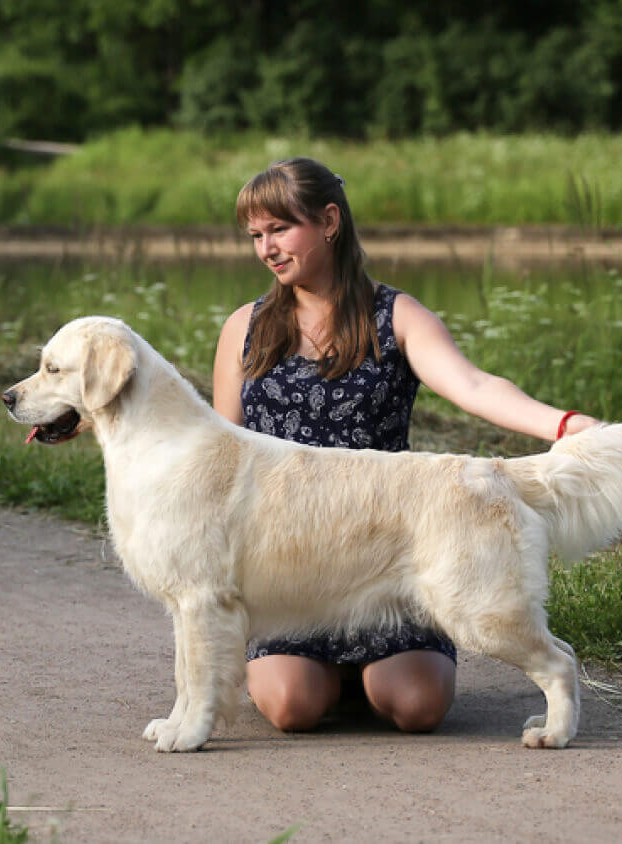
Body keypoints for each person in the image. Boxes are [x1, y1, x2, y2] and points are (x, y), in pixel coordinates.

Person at [213, 157, 599, 735]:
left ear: (328, 221)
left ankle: (373, 671)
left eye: (279, 229)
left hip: (392, 555)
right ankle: (316, 671)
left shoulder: (396, 315)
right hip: (293, 568)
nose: (266, 248)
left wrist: (564, 425)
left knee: (417, 708)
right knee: (293, 707)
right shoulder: (245, 326)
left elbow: (472, 385)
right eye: (255, 235)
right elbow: (223, 448)